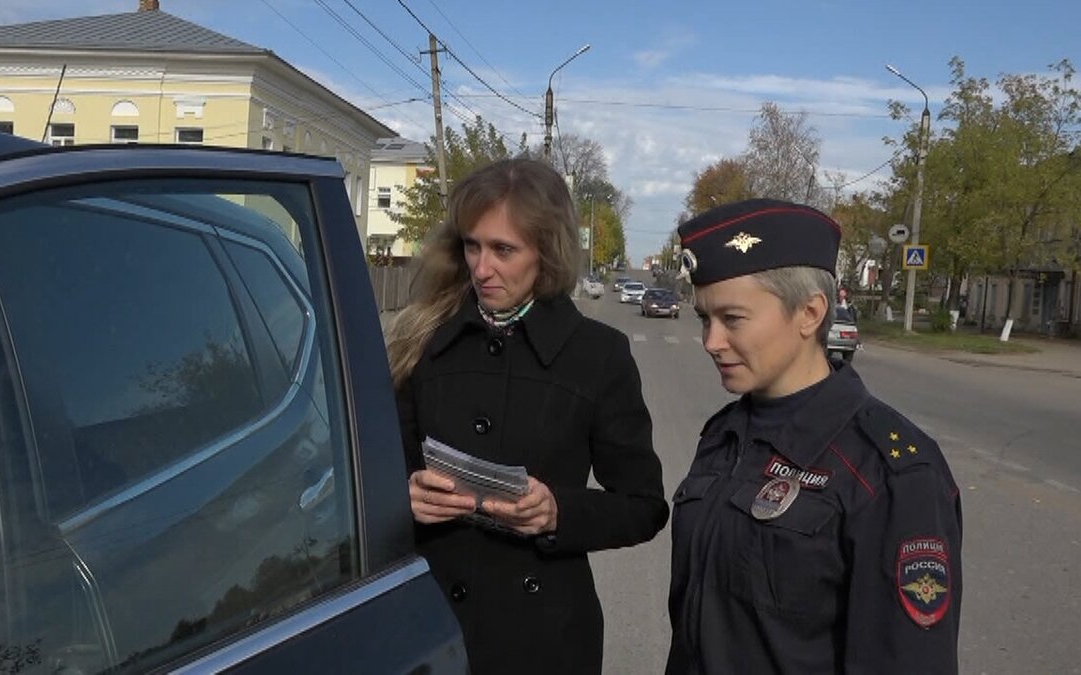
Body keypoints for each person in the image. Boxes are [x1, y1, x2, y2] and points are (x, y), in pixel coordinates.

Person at [387, 158, 668, 675]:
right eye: (473, 245)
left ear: (547, 251)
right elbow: (377, 475)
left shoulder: (599, 356)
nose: (481, 267)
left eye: (503, 250)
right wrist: (402, 497)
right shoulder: (420, 340)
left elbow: (644, 505)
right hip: (430, 633)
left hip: (543, 641)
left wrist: (557, 512)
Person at [667, 198, 962, 674]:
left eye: (732, 319)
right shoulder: (723, 434)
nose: (711, 342)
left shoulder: (890, 474)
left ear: (809, 313)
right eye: (705, 318)